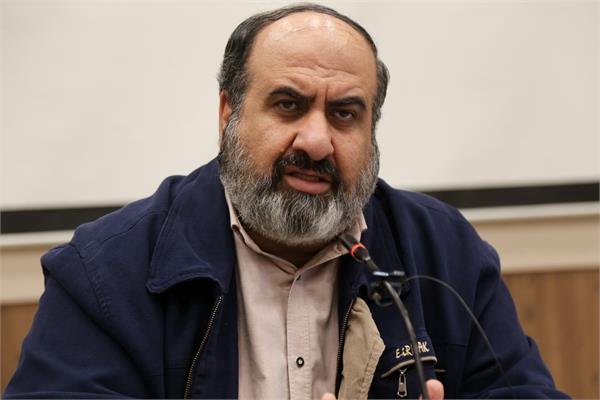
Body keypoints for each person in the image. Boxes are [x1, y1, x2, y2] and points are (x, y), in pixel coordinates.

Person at [5, 3, 566, 399]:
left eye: (344, 114)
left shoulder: (445, 251)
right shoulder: (104, 272)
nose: (317, 141)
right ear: (228, 114)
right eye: (288, 105)